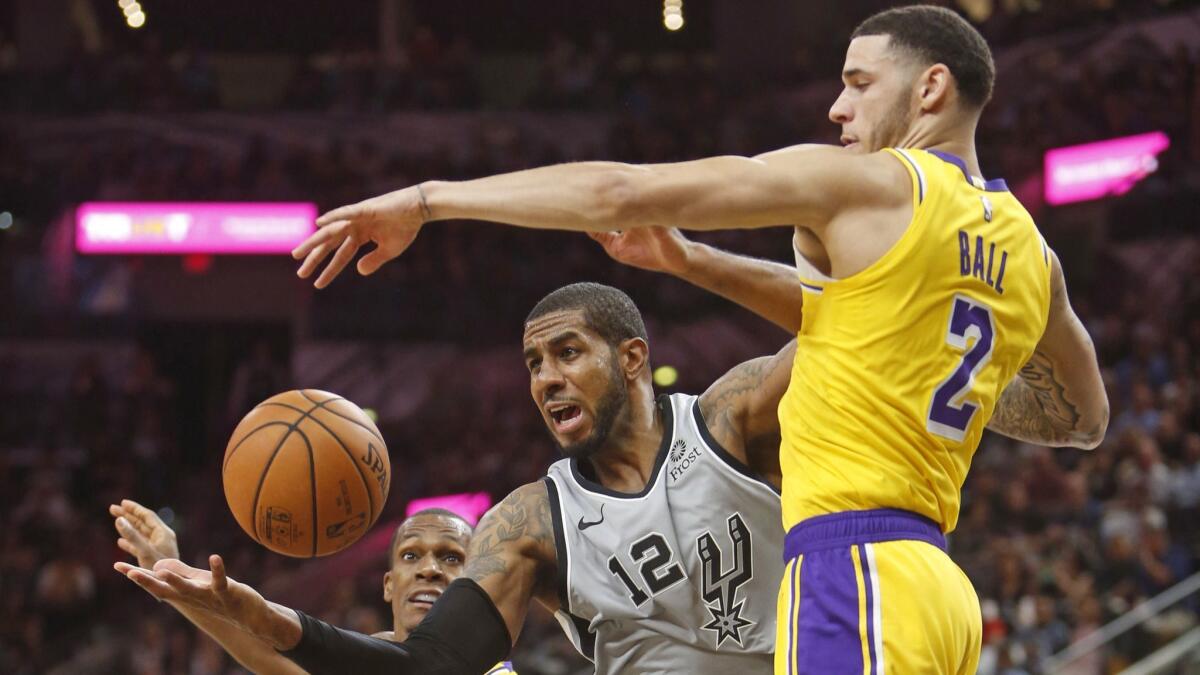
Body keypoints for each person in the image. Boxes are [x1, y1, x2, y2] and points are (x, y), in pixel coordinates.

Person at [287, 6, 1110, 672]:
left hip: (849, 569)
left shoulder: (871, 183)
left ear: (930, 87)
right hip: (940, 591)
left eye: (859, 83)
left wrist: (430, 199)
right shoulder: (1032, 253)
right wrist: (692, 261)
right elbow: (1080, 417)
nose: (838, 108)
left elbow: (616, 190)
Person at [116, 282, 794, 674]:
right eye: (533, 363)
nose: (547, 378)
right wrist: (243, 608)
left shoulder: (733, 417)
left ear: (633, 356)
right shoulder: (530, 523)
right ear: (385, 582)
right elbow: (425, 670)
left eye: (566, 353)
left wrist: (693, 258)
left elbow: (856, 324)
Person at [110, 500, 516, 674]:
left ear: (474, 587)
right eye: (411, 556)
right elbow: (266, 658)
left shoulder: (491, 669)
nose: (429, 570)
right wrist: (174, 577)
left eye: (451, 558)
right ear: (389, 585)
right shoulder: (365, 655)